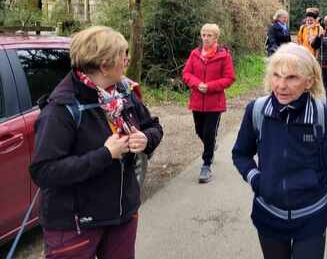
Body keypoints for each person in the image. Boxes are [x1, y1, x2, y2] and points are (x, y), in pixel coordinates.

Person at [30, 26, 163, 259]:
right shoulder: (60, 109)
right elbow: (44, 172)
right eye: (123, 55)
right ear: (104, 65)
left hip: (122, 216)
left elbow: (154, 126)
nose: (127, 60)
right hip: (75, 224)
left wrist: (146, 139)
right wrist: (105, 154)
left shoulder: (123, 92)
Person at [232, 43, 327, 259]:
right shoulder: (257, 111)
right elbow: (241, 153)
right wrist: (256, 179)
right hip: (268, 217)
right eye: (276, 76)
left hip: (311, 219)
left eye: (291, 78)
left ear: (309, 82)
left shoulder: (323, 117)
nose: (281, 85)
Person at [182, 24, 235, 183]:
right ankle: (210, 146)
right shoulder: (195, 54)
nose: (205, 38)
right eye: (203, 35)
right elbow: (186, 73)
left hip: (215, 103)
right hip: (197, 100)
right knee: (200, 130)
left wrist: (210, 87)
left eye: (209, 35)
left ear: (216, 38)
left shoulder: (224, 56)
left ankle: (206, 165)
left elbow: (229, 78)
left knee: (209, 132)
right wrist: (197, 84)